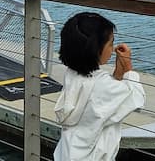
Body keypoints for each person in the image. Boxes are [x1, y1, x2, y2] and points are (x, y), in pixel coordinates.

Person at [53, 12, 147, 161]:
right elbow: (137, 99)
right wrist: (129, 68)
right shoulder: (103, 85)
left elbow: (107, 97)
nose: (113, 48)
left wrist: (118, 74)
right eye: (110, 44)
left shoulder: (72, 74)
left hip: (68, 153)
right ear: (95, 49)